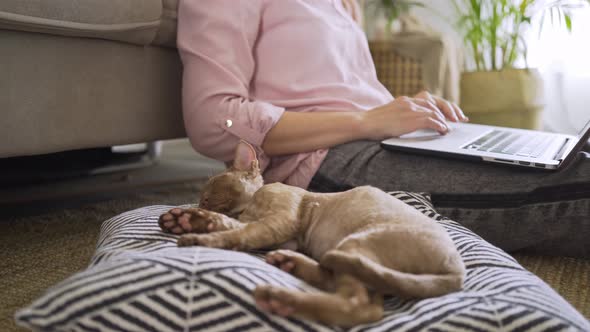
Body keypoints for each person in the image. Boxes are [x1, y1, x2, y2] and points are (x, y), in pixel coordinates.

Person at [177, 0, 590, 258]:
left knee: (567, 156)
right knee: (576, 182)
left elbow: (343, 90)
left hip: (386, 141)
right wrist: (366, 121)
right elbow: (213, 119)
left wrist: (405, 109)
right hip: (325, 166)